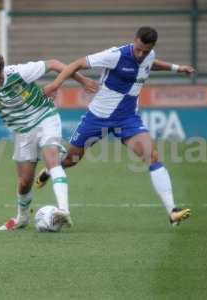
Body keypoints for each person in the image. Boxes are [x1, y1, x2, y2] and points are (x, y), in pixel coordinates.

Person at [35, 27, 195, 226]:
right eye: (138, 49)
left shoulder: (148, 55)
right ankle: (52, 169)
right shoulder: (115, 55)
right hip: (98, 118)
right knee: (71, 160)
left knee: (152, 156)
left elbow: (149, 63)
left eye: (146, 51)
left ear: (151, 47)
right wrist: (55, 85)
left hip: (127, 119)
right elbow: (77, 63)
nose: (141, 54)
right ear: (134, 40)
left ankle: (172, 211)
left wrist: (176, 68)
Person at [0, 52, 97, 230]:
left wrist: (82, 80)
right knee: (25, 182)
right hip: (22, 132)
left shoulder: (19, 72)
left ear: (3, 69)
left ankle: (63, 210)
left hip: (44, 117)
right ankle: (22, 219)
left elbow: (54, 63)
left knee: (52, 160)